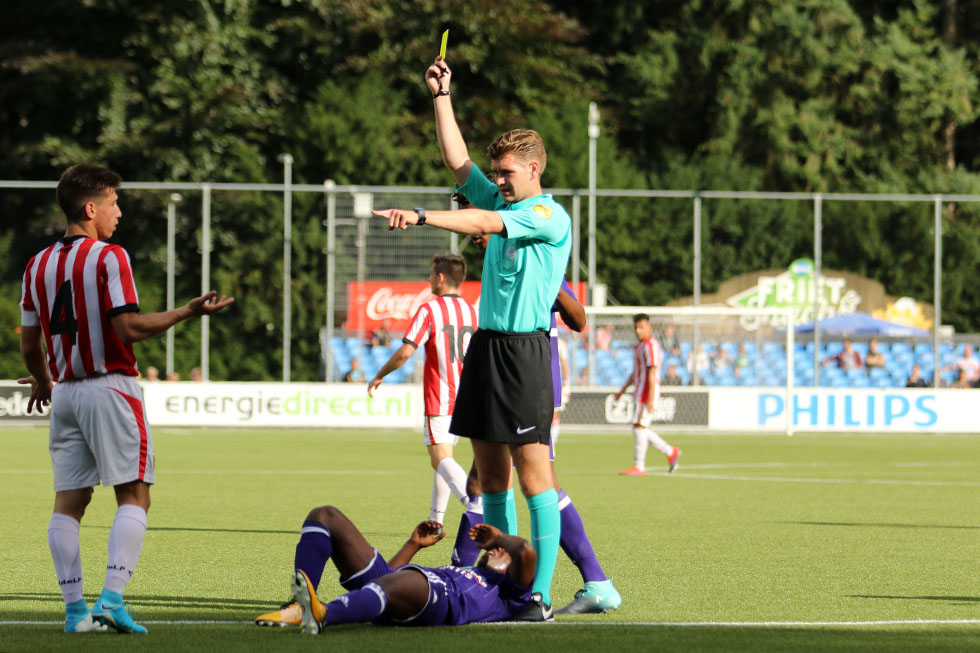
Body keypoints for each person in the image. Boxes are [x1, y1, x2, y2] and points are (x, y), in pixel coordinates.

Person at [371, 57, 572, 621]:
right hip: (485, 347)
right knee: (491, 479)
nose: (498, 183)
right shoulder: (507, 199)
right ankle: (497, 585)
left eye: (507, 174)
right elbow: (457, 162)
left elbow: (482, 223)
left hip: (526, 352)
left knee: (537, 478)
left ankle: (538, 594)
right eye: (498, 175)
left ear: (533, 169)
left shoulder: (546, 214)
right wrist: (441, 96)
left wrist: (421, 216)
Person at [18, 163, 234, 634]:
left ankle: (75, 613)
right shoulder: (108, 257)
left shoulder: (36, 265)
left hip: (67, 394)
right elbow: (128, 327)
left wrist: (42, 381)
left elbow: (30, 346)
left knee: (68, 504)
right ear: (91, 208)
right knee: (134, 495)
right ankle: (112, 600)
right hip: (110, 387)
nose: (120, 211)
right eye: (114, 202)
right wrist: (186, 311)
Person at [254, 505, 534, 632]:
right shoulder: (464, 571)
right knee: (325, 515)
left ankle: (324, 614)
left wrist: (498, 538)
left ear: (518, 574)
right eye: (497, 548)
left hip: (440, 602)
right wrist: (412, 545)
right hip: (403, 588)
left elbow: (525, 550)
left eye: (503, 553)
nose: (499, 550)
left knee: (400, 583)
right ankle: (300, 606)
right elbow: (389, 578)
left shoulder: (508, 594)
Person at [367, 254, 479, 529]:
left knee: (439, 458)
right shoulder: (472, 311)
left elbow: (406, 351)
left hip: (440, 397)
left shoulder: (429, 310)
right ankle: (435, 520)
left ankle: (474, 504)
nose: (429, 279)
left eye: (431, 274)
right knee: (444, 459)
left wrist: (380, 374)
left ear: (440, 278)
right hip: (468, 396)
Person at [615, 314, 681, 477]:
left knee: (639, 427)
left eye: (641, 327)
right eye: (636, 328)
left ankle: (640, 466)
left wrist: (651, 397)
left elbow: (652, 372)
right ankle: (670, 451)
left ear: (649, 328)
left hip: (646, 392)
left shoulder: (650, 346)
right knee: (640, 427)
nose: (638, 331)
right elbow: (636, 372)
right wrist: (622, 390)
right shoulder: (640, 346)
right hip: (640, 390)